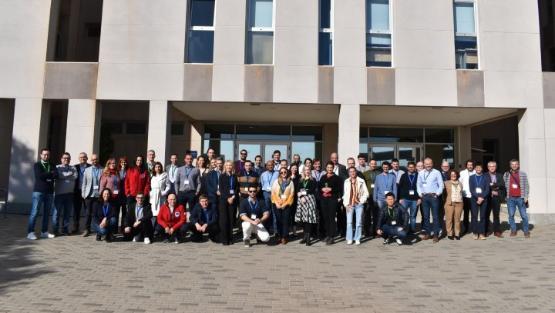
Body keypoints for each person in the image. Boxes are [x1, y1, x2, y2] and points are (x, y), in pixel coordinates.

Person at [27, 148, 57, 240]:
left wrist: (48, 174)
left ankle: (44, 232)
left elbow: (56, 175)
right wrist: (50, 174)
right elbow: (39, 176)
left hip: (49, 192)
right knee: (34, 212)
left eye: (48, 154)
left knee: (47, 213)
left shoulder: (52, 165)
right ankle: (30, 232)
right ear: (41, 155)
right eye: (44, 154)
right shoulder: (37, 165)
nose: (46, 156)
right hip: (38, 192)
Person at [416, 157, 444, 243]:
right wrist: (420, 194)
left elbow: (441, 185)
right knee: (426, 217)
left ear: (432, 164)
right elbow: (418, 185)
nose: (428, 165)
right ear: (424, 164)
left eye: (429, 163)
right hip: (424, 197)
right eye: (426, 163)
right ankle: (428, 233)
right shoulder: (421, 173)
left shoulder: (436, 172)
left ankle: (435, 235)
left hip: (433, 197)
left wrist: (437, 194)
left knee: (435, 217)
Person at [503, 159, 530, 238]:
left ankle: (526, 231)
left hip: (520, 198)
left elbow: (527, 186)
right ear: (510, 165)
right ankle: (513, 230)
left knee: (524, 215)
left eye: (516, 164)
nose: (514, 165)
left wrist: (526, 196)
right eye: (512, 164)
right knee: (511, 215)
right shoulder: (506, 174)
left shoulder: (523, 174)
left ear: (518, 165)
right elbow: (504, 185)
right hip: (510, 198)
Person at [318, 161, 343, 245]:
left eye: (331, 167)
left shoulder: (337, 178)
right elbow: (319, 187)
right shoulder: (323, 177)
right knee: (325, 218)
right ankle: (327, 235)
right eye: (328, 167)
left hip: (332, 200)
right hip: (324, 200)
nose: (329, 169)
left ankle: (332, 237)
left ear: (333, 168)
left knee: (331, 218)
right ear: (326, 168)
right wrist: (322, 189)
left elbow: (339, 189)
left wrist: (331, 189)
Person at [343, 167, 369, 245]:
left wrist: (362, 201)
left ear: (356, 172)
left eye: (354, 171)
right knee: (349, 222)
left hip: (359, 204)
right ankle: (349, 238)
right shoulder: (346, 181)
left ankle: (357, 238)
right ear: (349, 173)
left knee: (358, 222)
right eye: (350, 172)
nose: (352, 173)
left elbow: (366, 193)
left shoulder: (361, 181)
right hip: (349, 204)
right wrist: (345, 205)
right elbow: (345, 194)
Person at [52, 152, 77, 236]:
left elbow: (75, 177)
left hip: (70, 194)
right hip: (59, 194)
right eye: (65, 158)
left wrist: (64, 175)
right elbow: (59, 176)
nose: (66, 159)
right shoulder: (57, 167)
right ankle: (55, 230)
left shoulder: (73, 167)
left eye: (68, 158)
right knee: (56, 213)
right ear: (61, 159)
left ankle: (65, 230)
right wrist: (69, 174)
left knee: (67, 213)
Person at [295, 166, 319, 246]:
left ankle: (308, 238)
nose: (307, 171)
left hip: (310, 200)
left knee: (309, 219)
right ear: (303, 171)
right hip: (301, 201)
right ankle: (305, 237)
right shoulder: (301, 180)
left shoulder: (313, 180)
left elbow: (312, 189)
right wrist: (301, 196)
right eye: (305, 170)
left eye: (308, 170)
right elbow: (298, 189)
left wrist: (303, 192)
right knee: (303, 219)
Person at [271, 167, 295, 244]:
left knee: (285, 221)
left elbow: (292, 194)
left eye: (285, 172)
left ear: (287, 173)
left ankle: (284, 237)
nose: (283, 174)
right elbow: (273, 193)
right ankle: (279, 236)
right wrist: (277, 203)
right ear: (279, 174)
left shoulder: (291, 182)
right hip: (277, 204)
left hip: (286, 205)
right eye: (281, 172)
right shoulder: (276, 181)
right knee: (278, 221)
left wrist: (285, 204)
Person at [81, 153, 103, 237]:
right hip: (89, 195)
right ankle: (87, 229)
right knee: (88, 213)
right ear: (91, 160)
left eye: (96, 159)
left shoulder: (102, 169)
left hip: (98, 195)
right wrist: (83, 194)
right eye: (93, 160)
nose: (94, 161)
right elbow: (84, 183)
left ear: (98, 160)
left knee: (96, 213)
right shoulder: (87, 170)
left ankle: (97, 229)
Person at [218, 160, 239, 245]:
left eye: (230, 165)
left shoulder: (234, 176)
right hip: (224, 200)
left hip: (232, 200)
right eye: (227, 165)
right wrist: (228, 198)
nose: (229, 167)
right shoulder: (222, 176)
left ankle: (230, 238)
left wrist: (233, 197)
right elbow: (221, 189)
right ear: (225, 167)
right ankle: (224, 239)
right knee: (224, 220)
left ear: (232, 167)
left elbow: (236, 188)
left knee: (231, 219)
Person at [469, 163, 490, 240]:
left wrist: (482, 197)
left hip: (484, 199)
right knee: (474, 216)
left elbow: (487, 189)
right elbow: (471, 189)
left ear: (482, 169)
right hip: (474, 199)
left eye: (480, 168)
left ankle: (481, 233)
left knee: (483, 216)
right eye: (477, 168)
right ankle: (475, 232)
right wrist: (478, 197)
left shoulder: (486, 177)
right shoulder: (471, 177)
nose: (478, 169)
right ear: (475, 169)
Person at [99, 158, 121, 229]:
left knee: (115, 214)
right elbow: (102, 186)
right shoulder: (105, 173)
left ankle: (113, 230)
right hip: (108, 198)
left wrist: (118, 192)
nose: (113, 164)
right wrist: (101, 197)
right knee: (107, 214)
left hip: (116, 198)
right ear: (108, 164)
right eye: (111, 163)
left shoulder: (117, 173)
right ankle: (102, 230)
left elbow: (118, 185)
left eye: (114, 163)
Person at [398, 162, 420, 234]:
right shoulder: (403, 176)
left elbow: (421, 187)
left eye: (412, 167)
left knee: (413, 216)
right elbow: (400, 187)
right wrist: (400, 198)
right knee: (404, 215)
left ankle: (412, 230)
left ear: (415, 168)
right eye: (409, 167)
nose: (411, 168)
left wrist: (419, 198)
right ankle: (404, 229)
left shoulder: (418, 175)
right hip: (405, 199)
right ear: (407, 168)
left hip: (415, 199)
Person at [486, 161, 506, 237]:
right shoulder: (484, 175)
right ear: (488, 167)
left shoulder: (500, 175)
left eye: (493, 166)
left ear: (496, 167)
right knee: (486, 214)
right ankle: (487, 230)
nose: (492, 168)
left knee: (496, 215)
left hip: (496, 198)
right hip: (487, 198)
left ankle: (497, 231)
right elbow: (485, 185)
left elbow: (502, 186)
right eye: (490, 166)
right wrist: (494, 188)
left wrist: (496, 188)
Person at [72, 152, 90, 234]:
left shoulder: (90, 167)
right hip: (77, 191)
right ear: (79, 158)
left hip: (87, 192)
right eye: (81, 157)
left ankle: (87, 228)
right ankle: (76, 227)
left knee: (87, 210)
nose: (82, 158)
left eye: (84, 157)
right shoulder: (74, 167)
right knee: (76, 210)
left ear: (87, 158)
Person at [362, 159, 380, 237]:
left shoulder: (379, 173)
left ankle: (375, 232)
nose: (373, 165)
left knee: (376, 215)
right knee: (367, 215)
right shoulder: (365, 173)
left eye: (374, 164)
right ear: (369, 164)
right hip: (368, 197)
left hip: (376, 197)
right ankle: (367, 232)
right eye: (372, 164)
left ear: (376, 165)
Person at [260, 160, 278, 234]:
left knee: (275, 212)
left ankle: (276, 230)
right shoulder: (263, 174)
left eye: (271, 165)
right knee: (267, 212)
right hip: (266, 193)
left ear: (273, 165)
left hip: (275, 193)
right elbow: (262, 183)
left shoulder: (277, 173)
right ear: (266, 166)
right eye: (268, 165)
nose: (270, 166)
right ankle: (267, 229)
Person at [444, 170, 463, 240]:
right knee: (449, 219)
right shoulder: (446, 183)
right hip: (450, 203)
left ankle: (457, 233)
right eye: (452, 174)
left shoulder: (460, 183)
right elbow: (443, 193)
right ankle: (449, 233)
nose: (453, 176)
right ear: (449, 175)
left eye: (455, 174)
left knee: (457, 219)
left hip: (459, 203)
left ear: (457, 175)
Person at [150, 162, 170, 228]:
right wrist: (151, 193)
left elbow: (168, 186)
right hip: (153, 197)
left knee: (161, 213)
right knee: (153, 213)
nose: (158, 168)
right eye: (156, 167)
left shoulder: (165, 175)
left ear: (161, 167)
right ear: (154, 168)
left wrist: (163, 192)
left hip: (161, 196)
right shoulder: (152, 176)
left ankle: (160, 229)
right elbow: (149, 187)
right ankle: (152, 229)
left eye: (159, 167)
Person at [459, 160, 475, 235]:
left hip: (474, 196)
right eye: (468, 165)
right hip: (465, 196)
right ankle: (466, 228)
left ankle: (474, 229)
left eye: (471, 165)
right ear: (466, 165)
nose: (470, 166)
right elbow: (459, 183)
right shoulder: (462, 173)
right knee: (466, 213)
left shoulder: (476, 172)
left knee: (474, 213)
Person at [116, 157, 129, 232]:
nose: (123, 163)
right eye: (122, 162)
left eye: (124, 162)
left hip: (125, 193)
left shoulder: (128, 171)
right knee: (117, 211)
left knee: (124, 211)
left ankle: (123, 227)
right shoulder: (117, 171)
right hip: (118, 193)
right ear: (120, 163)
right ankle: (116, 228)